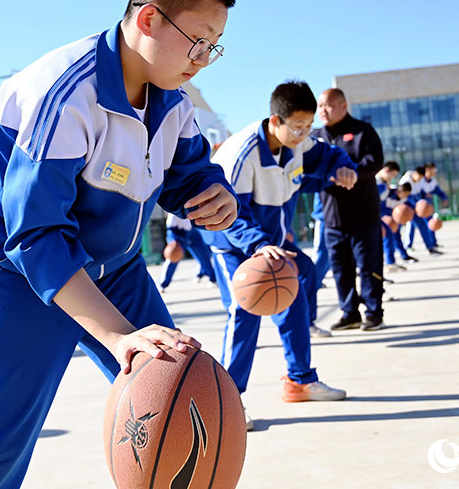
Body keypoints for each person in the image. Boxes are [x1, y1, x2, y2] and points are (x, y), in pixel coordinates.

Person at [0, 0, 239, 488]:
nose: (203, 57)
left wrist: (214, 192)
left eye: (213, 46)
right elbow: (33, 235)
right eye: (198, 40)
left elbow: (188, 171)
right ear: (148, 19)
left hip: (114, 267)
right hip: (14, 274)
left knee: (182, 404)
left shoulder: (173, 101)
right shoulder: (62, 91)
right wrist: (121, 335)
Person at [203, 80, 358, 430]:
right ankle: (229, 402)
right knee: (244, 309)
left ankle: (300, 380)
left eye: (308, 126)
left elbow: (330, 154)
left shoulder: (299, 144)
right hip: (231, 243)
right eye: (298, 127)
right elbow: (229, 213)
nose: (305, 133)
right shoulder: (240, 154)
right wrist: (258, 243)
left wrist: (343, 166)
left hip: (272, 244)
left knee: (296, 293)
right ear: (276, 121)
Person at [312, 88, 387, 331]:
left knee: (368, 266)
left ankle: (374, 312)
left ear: (343, 106)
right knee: (340, 269)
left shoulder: (362, 131)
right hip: (332, 217)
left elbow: (375, 160)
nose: (323, 110)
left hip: (364, 214)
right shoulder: (314, 137)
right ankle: (350, 313)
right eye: (320, 105)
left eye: (329, 105)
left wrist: (353, 172)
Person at [158, 213, 216, 290]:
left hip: (192, 232)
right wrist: (172, 240)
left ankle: (211, 278)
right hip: (178, 234)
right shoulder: (173, 212)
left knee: (203, 256)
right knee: (173, 257)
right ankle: (163, 283)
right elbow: (170, 229)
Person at [400, 166, 442, 255]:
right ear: (415, 174)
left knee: (419, 225)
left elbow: (420, 193)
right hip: (406, 208)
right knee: (396, 230)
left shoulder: (419, 181)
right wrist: (416, 206)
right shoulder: (405, 181)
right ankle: (405, 249)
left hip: (415, 207)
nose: (419, 179)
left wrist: (424, 202)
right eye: (419, 177)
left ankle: (429, 247)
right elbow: (405, 196)